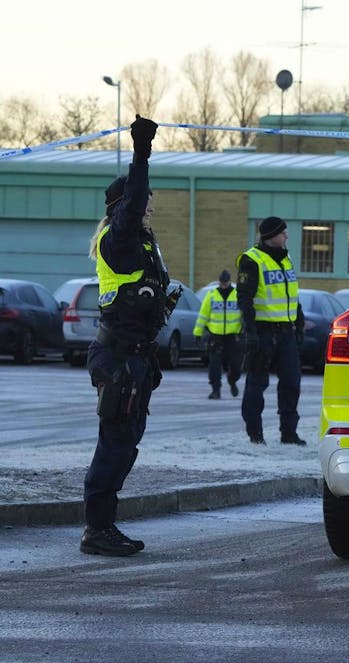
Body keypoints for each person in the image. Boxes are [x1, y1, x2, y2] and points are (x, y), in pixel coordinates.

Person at [82, 115, 178, 556]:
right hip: (117, 357)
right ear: (124, 207)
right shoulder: (117, 239)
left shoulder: (139, 242)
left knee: (125, 445)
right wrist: (142, 151)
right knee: (114, 446)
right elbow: (135, 199)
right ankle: (96, 531)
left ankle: (106, 525)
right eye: (143, 202)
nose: (150, 206)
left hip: (136, 358)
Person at [237, 216, 307, 446]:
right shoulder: (252, 260)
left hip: (286, 332)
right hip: (263, 332)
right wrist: (249, 331)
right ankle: (255, 433)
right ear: (270, 236)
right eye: (283, 232)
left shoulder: (286, 259)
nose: (287, 236)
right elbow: (244, 298)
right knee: (257, 383)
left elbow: (292, 296)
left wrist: (299, 323)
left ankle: (289, 433)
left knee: (291, 383)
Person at [194, 269, 242, 399]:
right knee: (214, 365)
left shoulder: (237, 295)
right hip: (216, 335)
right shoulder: (211, 295)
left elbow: (244, 315)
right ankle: (216, 390)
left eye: (225, 283)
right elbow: (203, 315)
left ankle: (232, 381)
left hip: (233, 336)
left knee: (236, 365)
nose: (223, 286)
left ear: (229, 282)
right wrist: (197, 333)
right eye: (221, 283)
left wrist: (245, 332)